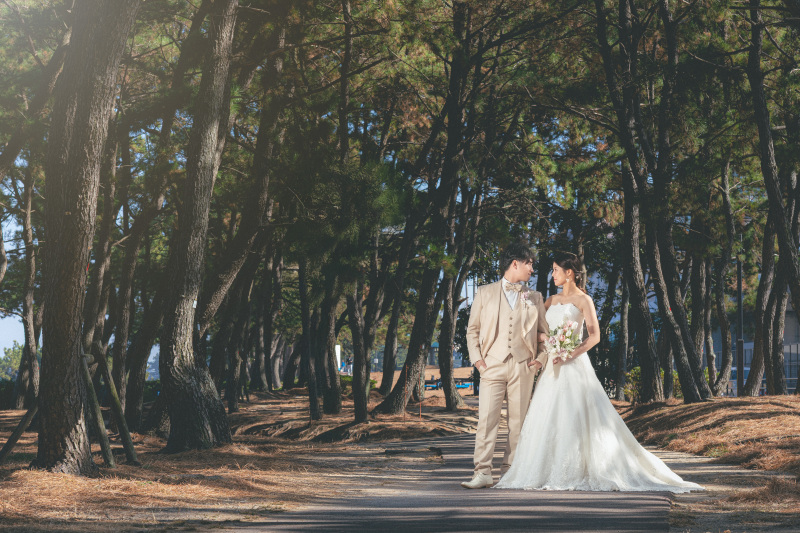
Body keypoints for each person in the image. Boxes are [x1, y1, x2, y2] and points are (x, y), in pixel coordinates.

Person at [495, 252, 703, 493]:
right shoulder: (550, 301)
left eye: (555, 270)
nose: (552, 275)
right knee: (548, 416)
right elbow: (537, 332)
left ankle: (581, 468)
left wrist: (571, 352)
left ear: (569, 273)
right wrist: (547, 343)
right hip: (553, 367)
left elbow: (595, 336)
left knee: (576, 416)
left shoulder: (584, 301)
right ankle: (545, 469)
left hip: (574, 365)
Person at [461, 242, 550, 489]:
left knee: (518, 423)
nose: (532, 268)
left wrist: (539, 362)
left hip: (524, 365)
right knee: (486, 421)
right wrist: (478, 360)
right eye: (529, 263)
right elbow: (472, 331)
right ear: (515, 263)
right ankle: (483, 473)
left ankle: (511, 473)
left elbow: (545, 334)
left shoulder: (535, 297)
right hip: (491, 365)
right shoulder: (484, 292)